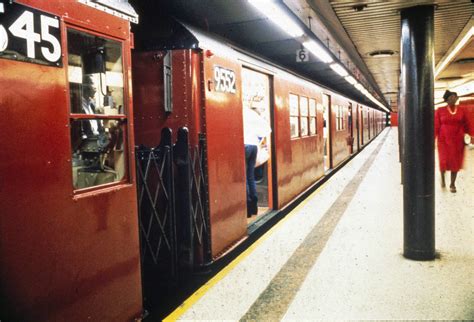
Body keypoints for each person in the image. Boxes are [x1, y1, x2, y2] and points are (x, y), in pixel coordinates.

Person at [435, 90, 469, 193]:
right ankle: (443, 179)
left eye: (455, 97)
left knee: (455, 161)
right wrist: (432, 139)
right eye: (451, 97)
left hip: (457, 140)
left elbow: (466, 124)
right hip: (443, 139)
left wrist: (469, 135)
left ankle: (452, 184)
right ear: (447, 100)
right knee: (444, 160)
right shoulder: (440, 110)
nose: (454, 99)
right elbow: (436, 126)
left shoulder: (462, 110)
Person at [243, 105, 271, 217]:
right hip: (254, 146)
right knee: (250, 177)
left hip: (244, 146)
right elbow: (267, 130)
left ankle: (248, 209)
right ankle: (254, 207)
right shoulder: (252, 114)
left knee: (243, 177)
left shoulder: (241, 111)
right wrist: (258, 140)